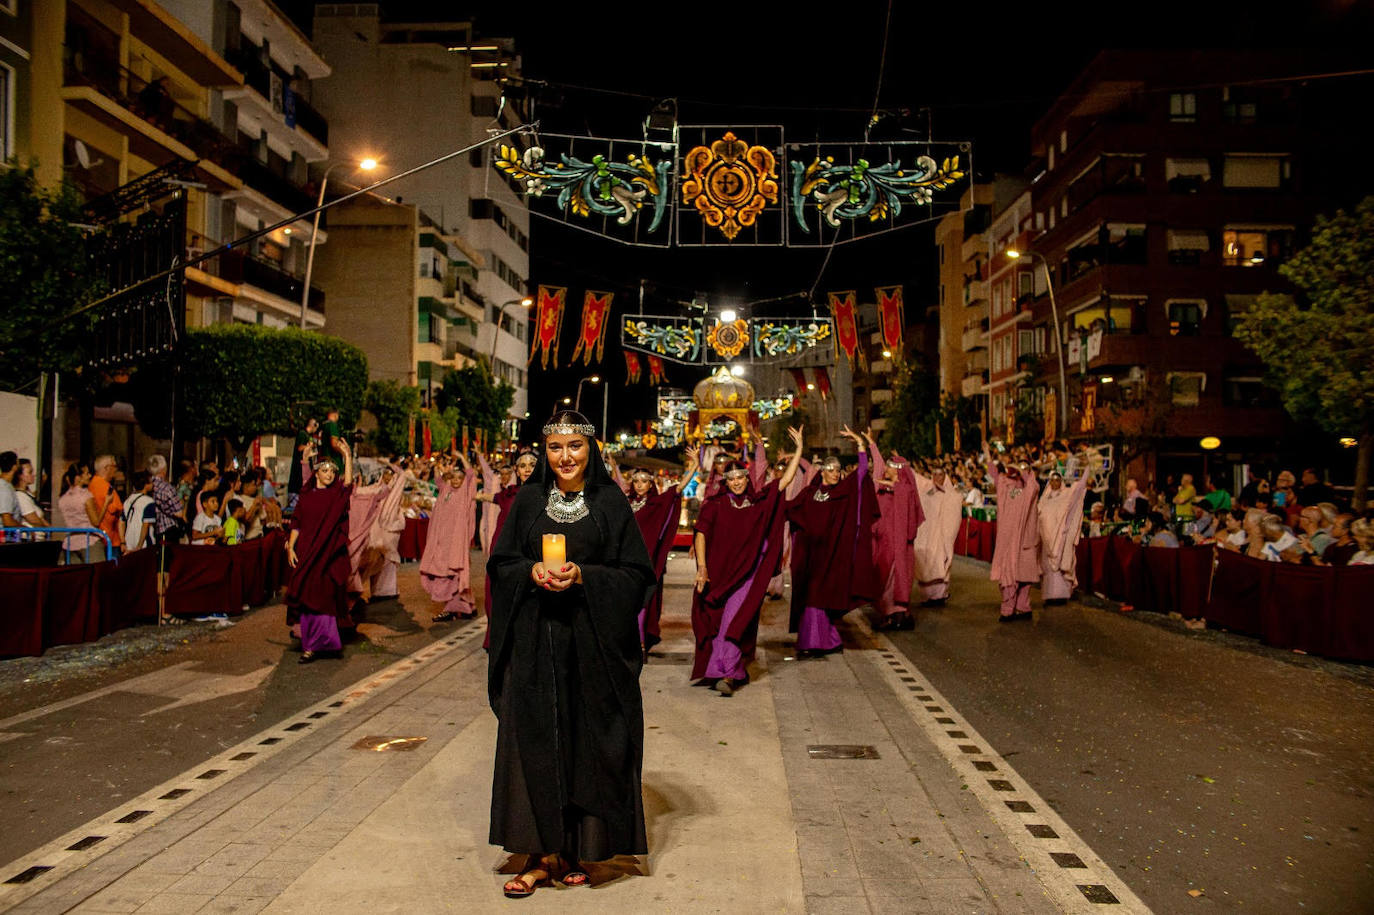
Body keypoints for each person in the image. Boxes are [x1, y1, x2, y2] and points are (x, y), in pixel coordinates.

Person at [485, 410, 655, 896]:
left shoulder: (610, 502)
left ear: (591, 450)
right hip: (536, 643)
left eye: (574, 447)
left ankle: (582, 849)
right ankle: (538, 856)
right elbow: (501, 563)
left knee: (588, 741)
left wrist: (585, 576)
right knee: (534, 743)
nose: (565, 457)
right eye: (555, 448)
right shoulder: (529, 499)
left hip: (592, 645)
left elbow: (636, 575)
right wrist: (530, 573)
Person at [692, 429, 804, 695]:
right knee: (718, 622)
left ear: (746, 478)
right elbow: (701, 535)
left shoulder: (758, 501)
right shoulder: (715, 505)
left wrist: (799, 448)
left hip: (748, 575)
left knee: (735, 619)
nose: (738, 482)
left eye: (741, 477)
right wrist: (703, 568)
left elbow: (784, 481)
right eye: (732, 479)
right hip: (719, 573)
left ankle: (727, 675)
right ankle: (729, 669)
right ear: (726, 482)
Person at [787, 427, 879, 656]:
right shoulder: (809, 493)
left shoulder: (843, 492)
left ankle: (814, 643)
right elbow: (790, 510)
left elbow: (861, 474)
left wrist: (860, 444)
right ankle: (827, 640)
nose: (836, 473)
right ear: (823, 471)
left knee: (820, 597)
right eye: (831, 469)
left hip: (833, 555)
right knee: (813, 597)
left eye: (838, 469)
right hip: (810, 557)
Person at [286, 440, 355, 663]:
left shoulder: (336, 495)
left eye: (332, 471)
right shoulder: (307, 496)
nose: (329, 475)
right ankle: (310, 647)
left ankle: (327, 643)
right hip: (307, 553)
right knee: (307, 598)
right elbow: (297, 522)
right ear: (317, 473)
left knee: (324, 598)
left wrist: (347, 457)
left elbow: (348, 484)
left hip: (328, 555)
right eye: (325, 471)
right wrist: (291, 547)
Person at [628, 452, 697, 658]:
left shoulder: (657, 503)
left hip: (646, 564)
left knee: (642, 604)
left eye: (644, 481)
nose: (640, 485)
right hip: (624, 564)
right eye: (636, 481)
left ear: (651, 484)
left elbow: (678, 489)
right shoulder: (624, 503)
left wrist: (693, 465)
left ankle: (639, 644)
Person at [864, 432, 923, 630]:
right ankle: (895, 615)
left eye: (890, 466)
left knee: (896, 580)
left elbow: (906, 488)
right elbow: (879, 468)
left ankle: (896, 616)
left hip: (898, 549)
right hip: (885, 545)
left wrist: (894, 486)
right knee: (886, 582)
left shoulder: (904, 491)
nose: (885, 469)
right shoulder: (884, 489)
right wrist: (872, 444)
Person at [421, 452, 479, 622]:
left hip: (455, 543)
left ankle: (454, 609)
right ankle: (467, 607)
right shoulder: (446, 489)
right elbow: (438, 479)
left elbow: (471, 474)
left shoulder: (465, 493)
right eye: (453, 477)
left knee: (455, 575)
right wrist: (437, 466)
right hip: (440, 542)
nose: (455, 480)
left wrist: (461, 457)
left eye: (459, 478)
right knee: (445, 575)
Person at [985, 446, 1041, 622]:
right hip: (1008, 540)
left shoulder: (1032, 486)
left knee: (1025, 577)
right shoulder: (1006, 485)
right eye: (1019, 467)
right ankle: (1007, 609)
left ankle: (1023, 607)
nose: (1021, 470)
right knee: (1009, 576)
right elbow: (994, 473)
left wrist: (1024, 470)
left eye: (1025, 468)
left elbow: (1031, 485)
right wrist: (987, 453)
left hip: (1026, 540)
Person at [347, 462, 407, 605]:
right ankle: (356, 591)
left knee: (386, 560)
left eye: (391, 474)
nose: (387, 476)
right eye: (385, 473)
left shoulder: (395, 493)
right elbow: (358, 493)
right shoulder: (375, 489)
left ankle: (385, 592)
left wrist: (391, 465)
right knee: (367, 559)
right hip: (373, 531)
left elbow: (402, 477)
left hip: (389, 530)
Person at [912, 462, 964, 606]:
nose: (937, 477)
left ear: (945, 476)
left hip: (941, 536)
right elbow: (915, 478)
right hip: (926, 535)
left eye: (940, 474)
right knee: (926, 563)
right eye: (934, 474)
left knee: (940, 562)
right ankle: (927, 596)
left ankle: (940, 595)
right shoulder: (926, 490)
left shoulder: (950, 494)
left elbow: (955, 507)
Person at [1038, 469, 1089, 604]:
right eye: (1052, 480)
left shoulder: (1066, 495)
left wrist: (1086, 472)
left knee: (1061, 566)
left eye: (1057, 480)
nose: (1055, 482)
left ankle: (1061, 596)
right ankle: (1049, 596)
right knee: (1048, 569)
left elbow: (1077, 492)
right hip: (1046, 537)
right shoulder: (1044, 498)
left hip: (1060, 536)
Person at [58, 463, 110, 562]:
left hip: (70, 542)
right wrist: (106, 503)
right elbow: (96, 522)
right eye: (86, 474)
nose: (90, 476)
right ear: (78, 477)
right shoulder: (86, 496)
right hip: (89, 541)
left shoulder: (63, 498)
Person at [88, 454, 125, 555]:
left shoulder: (92, 485)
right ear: (106, 468)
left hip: (100, 538)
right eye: (114, 466)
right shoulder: (104, 486)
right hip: (110, 540)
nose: (116, 469)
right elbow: (118, 510)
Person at [122, 470, 157, 551]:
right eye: (151, 482)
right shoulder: (149, 502)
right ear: (146, 485)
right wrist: (139, 546)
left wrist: (122, 541)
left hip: (129, 541)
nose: (153, 484)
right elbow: (145, 525)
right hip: (144, 544)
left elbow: (121, 522)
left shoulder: (128, 500)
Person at [287, 417, 318, 503]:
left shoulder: (309, 436)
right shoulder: (302, 433)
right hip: (299, 471)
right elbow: (300, 447)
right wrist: (309, 446)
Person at [13, 459, 48, 532]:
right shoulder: (20, 496)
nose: (33, 475)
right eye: (30, 472)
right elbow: (34, 520)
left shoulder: (28, 493)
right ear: (20, 476)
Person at [0, 451, 20, 530]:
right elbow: (7, 521)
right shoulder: (4, 489)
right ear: (14, 467)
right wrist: (24, 528)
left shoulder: (8, 486)